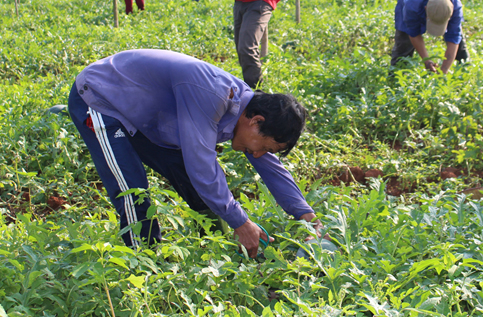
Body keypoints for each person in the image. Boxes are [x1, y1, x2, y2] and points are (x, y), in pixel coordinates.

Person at [67, 49, 319, 256]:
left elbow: (270, 167)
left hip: (146, 116)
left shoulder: (243, 106)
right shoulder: (214, 96)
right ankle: (144, 263)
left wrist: (306, 215)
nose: (258, 154)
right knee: (133, 190)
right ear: (256, 121)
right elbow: (202, 166)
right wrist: (242, 222)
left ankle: (218, 250)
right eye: (264, 147)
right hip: (102, 99)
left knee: (191, 180)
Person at [391, 0, 469, 74]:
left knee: (460, 46)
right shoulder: (412, 4)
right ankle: (395, 76)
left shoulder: (455, 7)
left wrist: (443, 71)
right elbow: (413, 34)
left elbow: (454, 39)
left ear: (450, 16)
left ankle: (465, 72)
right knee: (404, 44)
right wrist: (427, 61)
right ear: (425, 10)